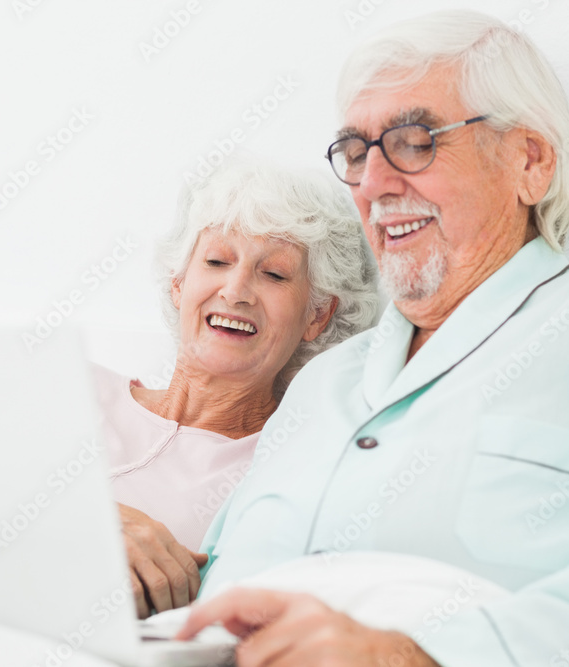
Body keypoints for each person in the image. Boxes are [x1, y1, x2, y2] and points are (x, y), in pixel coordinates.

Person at [176, 10, 569, 666]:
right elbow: (210, 581)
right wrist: (126, 554)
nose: (375, 184)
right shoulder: (321, 381)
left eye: (414, 140)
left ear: (530, 162)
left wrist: (410, 657)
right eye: (356, 155)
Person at [95, 159, 378, 619]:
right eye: (216, 261)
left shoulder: (290, 474)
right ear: (179, 284)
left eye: (275, 275)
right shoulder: (75, 388)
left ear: (317, 315)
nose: (236, 289)